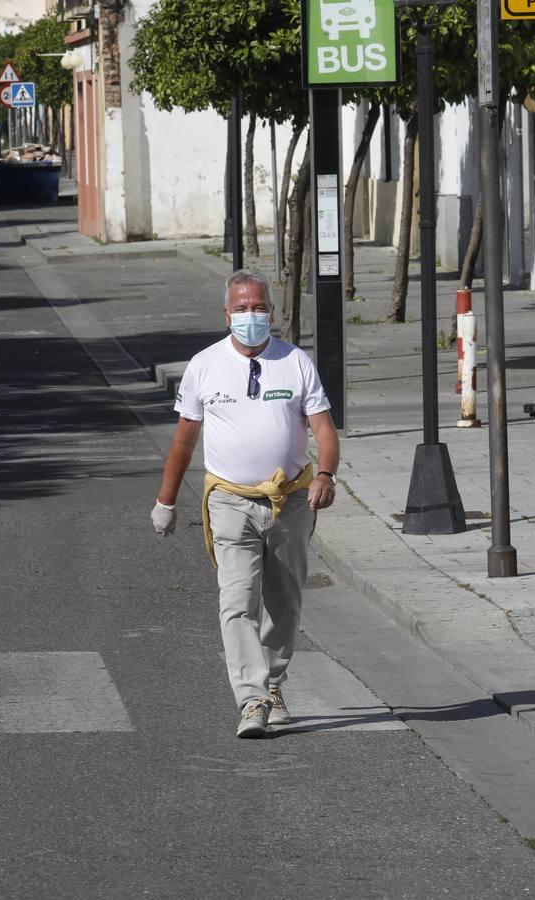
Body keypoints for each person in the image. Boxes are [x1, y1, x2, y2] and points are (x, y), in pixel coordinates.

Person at [152, 270, 340, 738]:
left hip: (290, 501)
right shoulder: (204, 365)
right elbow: (183, 440)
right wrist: (166, 501)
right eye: (242, 308)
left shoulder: (295, 362)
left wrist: (325, 474)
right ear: (226, 314)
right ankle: (252, 700)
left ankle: (273, 684)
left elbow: (324, 430)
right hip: (230, 501)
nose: (251, 316)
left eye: (259, 308)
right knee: (237, 602)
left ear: (271, 313)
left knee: (286, 603)